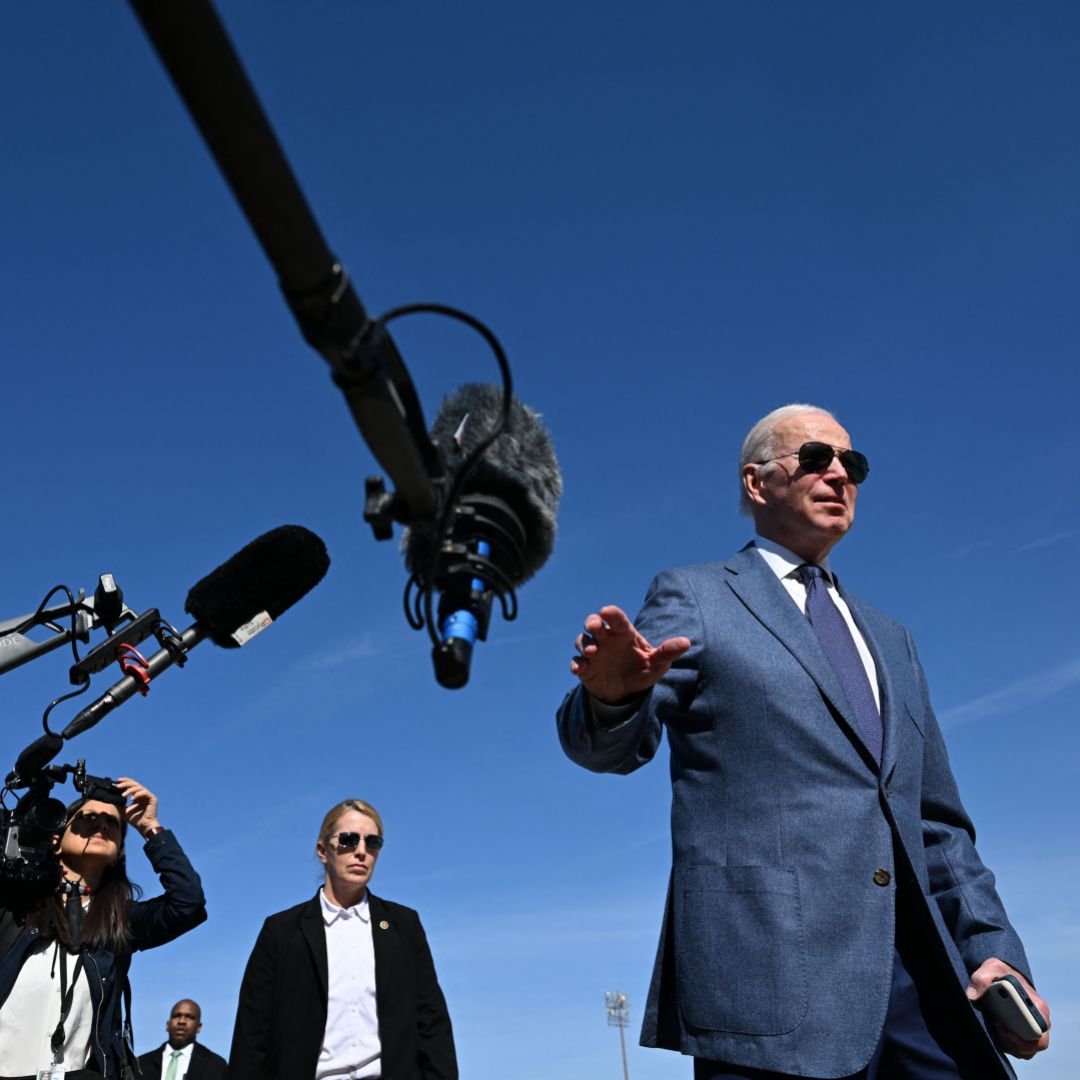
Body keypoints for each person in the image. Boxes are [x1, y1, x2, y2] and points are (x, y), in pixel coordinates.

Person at [557, 404, 1051, 1080]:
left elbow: (936, 824)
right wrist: (612, 696)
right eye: (817, 459)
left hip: (924, 992)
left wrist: (992, 948)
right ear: (757, 484)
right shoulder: (697, 596)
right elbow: (611, 748)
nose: (840, 474)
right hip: (770, 991)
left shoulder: (893, 641)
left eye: (854, 465)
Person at [229, 798, 457, 1080]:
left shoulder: (404, 926)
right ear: (323, 850)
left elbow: (432, 1023)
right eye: (349, 840)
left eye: (372, 843)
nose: (361, 851)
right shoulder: (281, 931)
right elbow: (252, 1033)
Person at [0, 778, 206, 1078]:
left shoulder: (120, 922)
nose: (101, 825)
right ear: (55, 839)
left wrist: (150, 828)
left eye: (113, 823)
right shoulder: (16, 908)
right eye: (87, 818)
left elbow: (188, 902)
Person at [138, 998, 228, 1079]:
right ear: (167, 1025)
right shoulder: (140, 1064)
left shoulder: (215, 1065)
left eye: (190, 1017)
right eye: (176, 1016)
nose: (182, 1021)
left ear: (199, 1027)